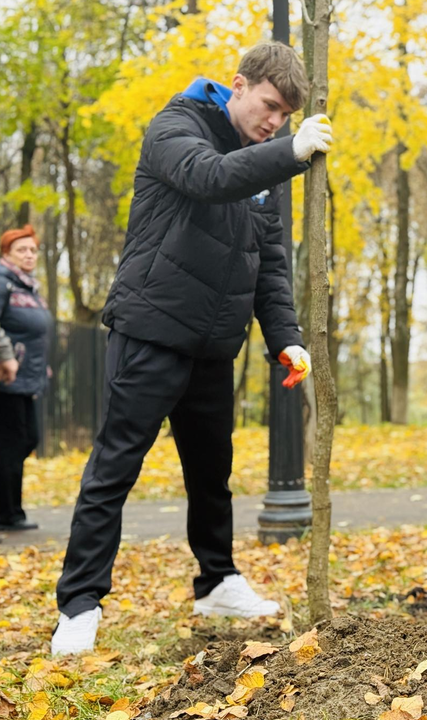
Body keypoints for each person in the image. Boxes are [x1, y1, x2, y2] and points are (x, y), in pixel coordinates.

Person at [51, 41, 334, 655]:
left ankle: (217, 580)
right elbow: (208, 179)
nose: (274, 122)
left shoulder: (265, 162)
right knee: (114, 468)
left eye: (286, 116)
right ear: (238, 84)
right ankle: (78, 604)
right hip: (150, 331)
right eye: (269, 106)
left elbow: (271, 267)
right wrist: (287, 153)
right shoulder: (176, 127)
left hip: (213, 346)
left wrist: (286, 341)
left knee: (213, 476)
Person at [0, 224, 52, 532]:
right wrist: (6, 355)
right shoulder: (3, 282)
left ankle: (9, 509)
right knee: (13, 441)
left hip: (25, 378)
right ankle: (9, 513)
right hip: (6, 377)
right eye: (22, 249)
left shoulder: (26, 286)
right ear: (6, 254)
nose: (29, 254)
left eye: (33, 249)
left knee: (26, 438)